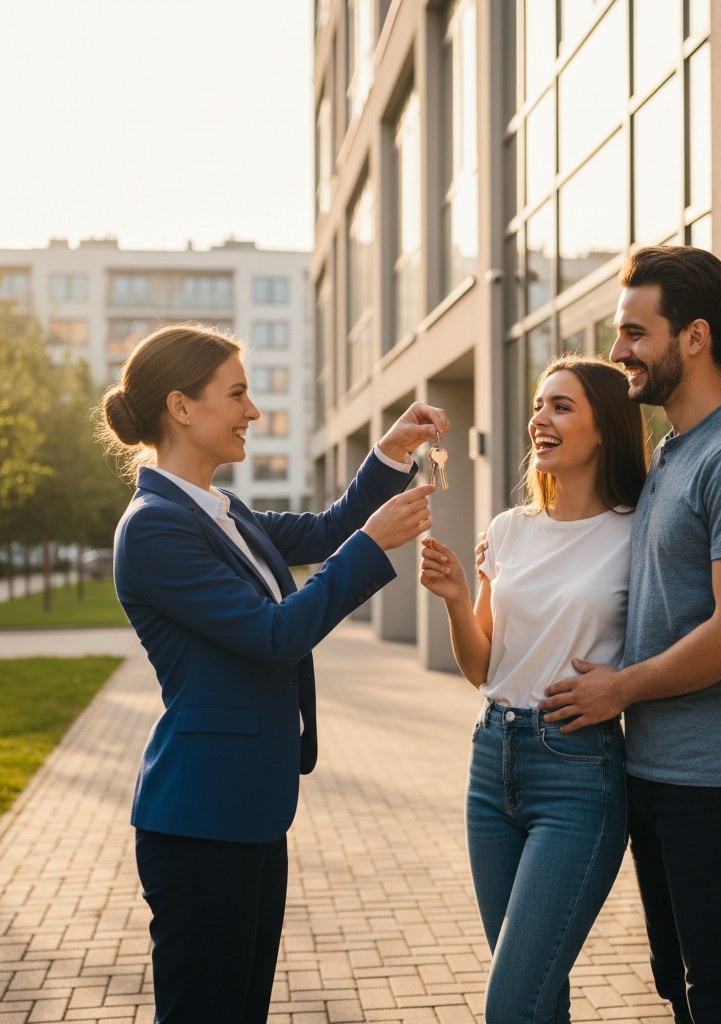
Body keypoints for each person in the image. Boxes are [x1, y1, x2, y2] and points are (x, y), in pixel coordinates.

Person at [419, 354, 721, 1024]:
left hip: (577, 770)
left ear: (606, 429)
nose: (540, 419)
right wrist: (454, 597)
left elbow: (718, 605)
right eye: (538, 404)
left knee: (512, 1004)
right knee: (538, 991)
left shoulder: (637, 529)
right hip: (489, 762)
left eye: (562, 406)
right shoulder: (507, 531)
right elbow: (484, 668)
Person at [98, 323, 444, 1024]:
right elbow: (273, 634)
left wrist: (391, 451)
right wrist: (372, 547)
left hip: (250, 812)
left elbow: (326, 530)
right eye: (238, 394)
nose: (253, 412)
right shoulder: (155, 528)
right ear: (182, 406)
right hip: (199, 824)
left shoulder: (221, 512)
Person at [539, 247, 721, 1024]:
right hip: (659, 770)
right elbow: (701, 606)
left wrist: (617, 688)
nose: (617, 350)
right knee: (679, 987)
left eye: (632, 331)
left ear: (693, 337)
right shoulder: (675, 453)